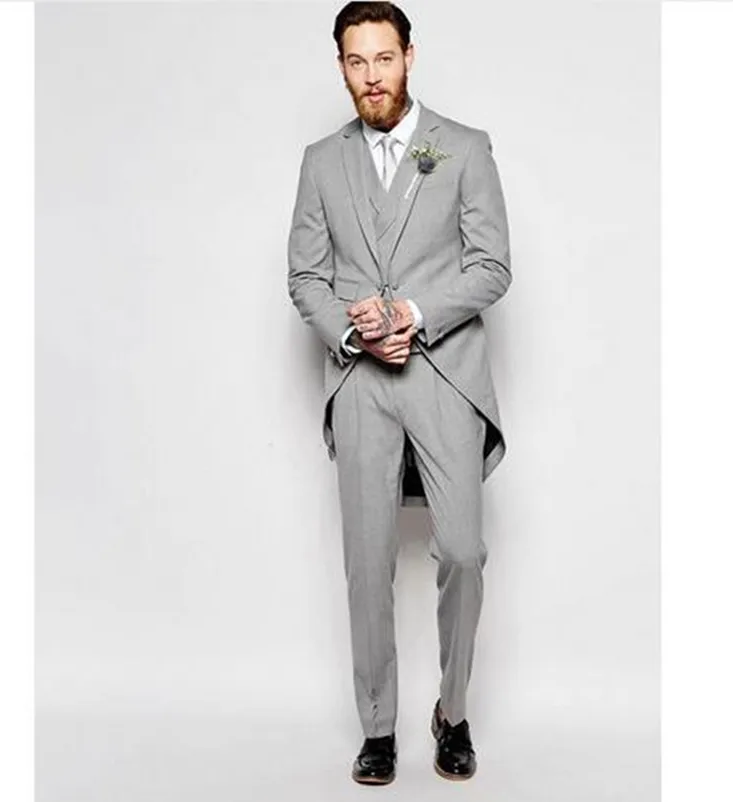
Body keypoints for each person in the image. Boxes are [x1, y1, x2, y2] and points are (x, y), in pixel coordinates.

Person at [287, 0, 512, 785]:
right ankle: (377, 727)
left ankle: (453, 711)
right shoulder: (322, 161)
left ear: (409, 57)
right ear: (341, 67)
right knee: (367, 559)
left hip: (444, 373)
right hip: (361, 381)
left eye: (384, 58)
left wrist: (413, 315)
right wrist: (353, 335)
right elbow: (305, 277)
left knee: (464, 552)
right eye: (357, 62)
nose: (371, 76)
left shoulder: (464, 147)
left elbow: (492, 266)